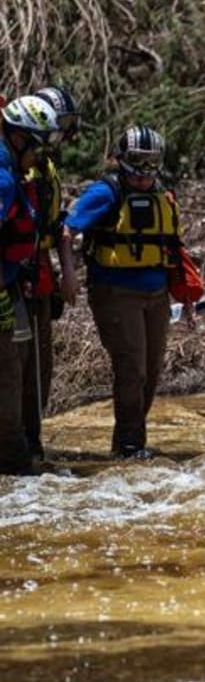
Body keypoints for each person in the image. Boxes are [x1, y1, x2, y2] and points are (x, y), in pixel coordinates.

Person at [60, 125, 184, 460]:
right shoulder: (105, 193)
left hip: (157, 295)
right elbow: (67, 230)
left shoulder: (162, 193)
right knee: (132, 368)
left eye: (152, 163)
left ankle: (130, 440)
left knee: (152, 370)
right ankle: (130, 446)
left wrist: (184, 292)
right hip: (116, 293)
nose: (144, 173)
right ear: (121, 160)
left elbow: (172, 246)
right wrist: (68, 274)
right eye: (137, 162)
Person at [0, 94, 62, 474]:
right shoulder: (4, 180)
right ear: (20, 138)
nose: (41, 157)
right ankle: (18, 474)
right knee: (8, 384)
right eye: (39, 147)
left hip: (11, 283)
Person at [17, 85, 80, 460]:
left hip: (42, 277)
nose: (67, 135)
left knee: (41, 368)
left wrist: (66, 272)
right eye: (63, 125)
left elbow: (57, 227)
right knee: (17, 365)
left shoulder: (47, 167)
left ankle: (33, 439)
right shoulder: (13, 166)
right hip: (16, 277)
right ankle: (19, 443)